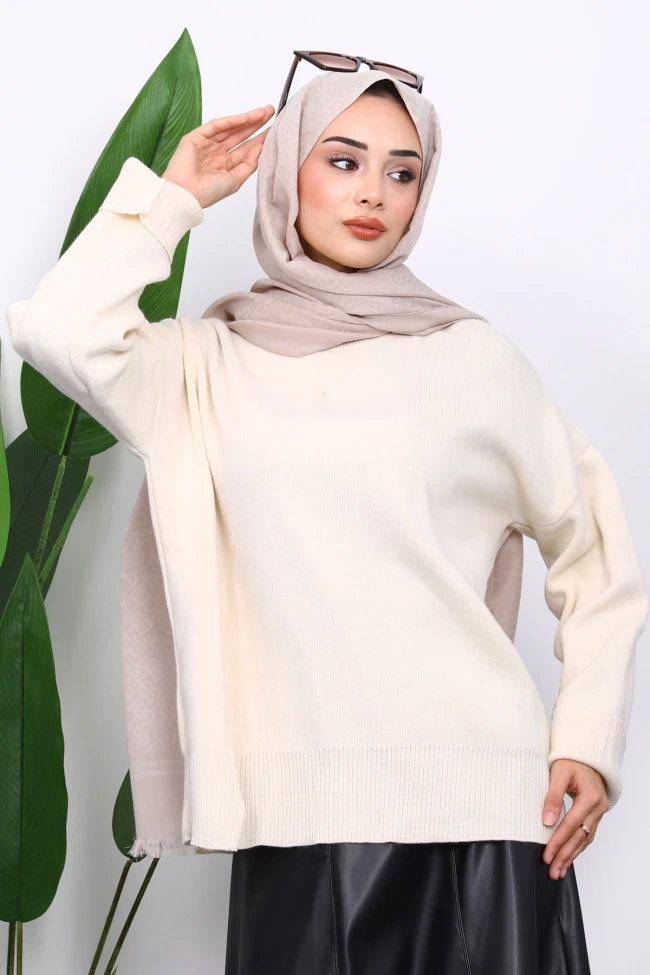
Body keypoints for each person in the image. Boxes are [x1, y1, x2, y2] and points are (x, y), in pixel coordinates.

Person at [7, 67, 648, 973]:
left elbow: (596, 550)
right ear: (286, 172)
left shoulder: (477, 360)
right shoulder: (203, 368)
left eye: (402, 172)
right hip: (299, 823)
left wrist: (587, 734)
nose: (373, 192)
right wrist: (174, 199)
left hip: (486, 813)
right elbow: (60, 331)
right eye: (343, 160)